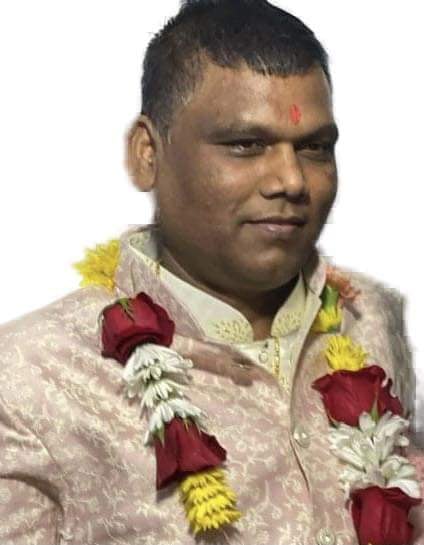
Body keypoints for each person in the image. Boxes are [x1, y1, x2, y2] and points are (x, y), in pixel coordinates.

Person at [0, 1, 423, 544]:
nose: (292, 180)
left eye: (314, 148)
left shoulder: (372, 317)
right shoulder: (31, 379)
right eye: (246, 145)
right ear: (147, 154)